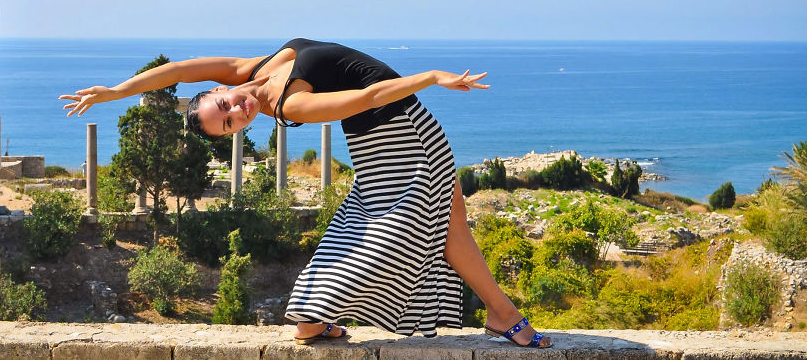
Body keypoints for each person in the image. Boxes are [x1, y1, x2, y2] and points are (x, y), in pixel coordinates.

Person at [60, 38, 551, 348]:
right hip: (389, 133)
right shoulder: (291, 104)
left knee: (450, 229)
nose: (238, 112)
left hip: (408, 130)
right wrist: (429, 77)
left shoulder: (255, 68)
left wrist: (114, 91)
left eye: (225, 104)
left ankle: (497, 311)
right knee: (392, 233)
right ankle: (316, 313)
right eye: (229, 123)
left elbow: (180, 70)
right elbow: (364, 98)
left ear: (219, 89)